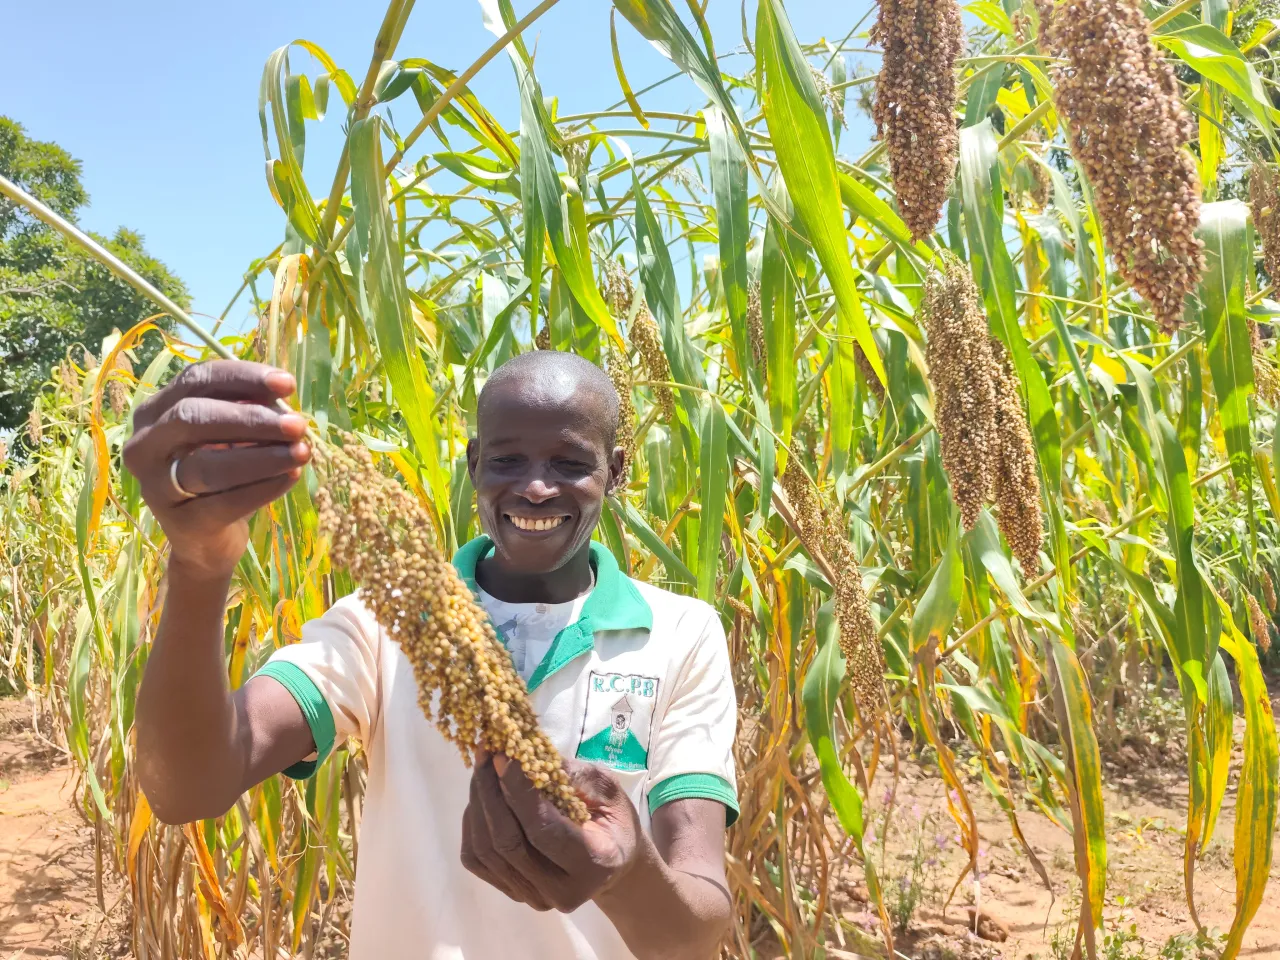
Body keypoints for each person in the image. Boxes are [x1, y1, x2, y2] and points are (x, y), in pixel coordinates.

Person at [125, 351, 738, 960]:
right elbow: (189, 788)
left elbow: (695, 930)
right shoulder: (382, 624)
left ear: (615, 470)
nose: (536, 486)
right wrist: (200, 563)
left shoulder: (680, 633)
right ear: (474, 463)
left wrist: (627, 877)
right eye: (506, 459)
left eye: (570, 462)